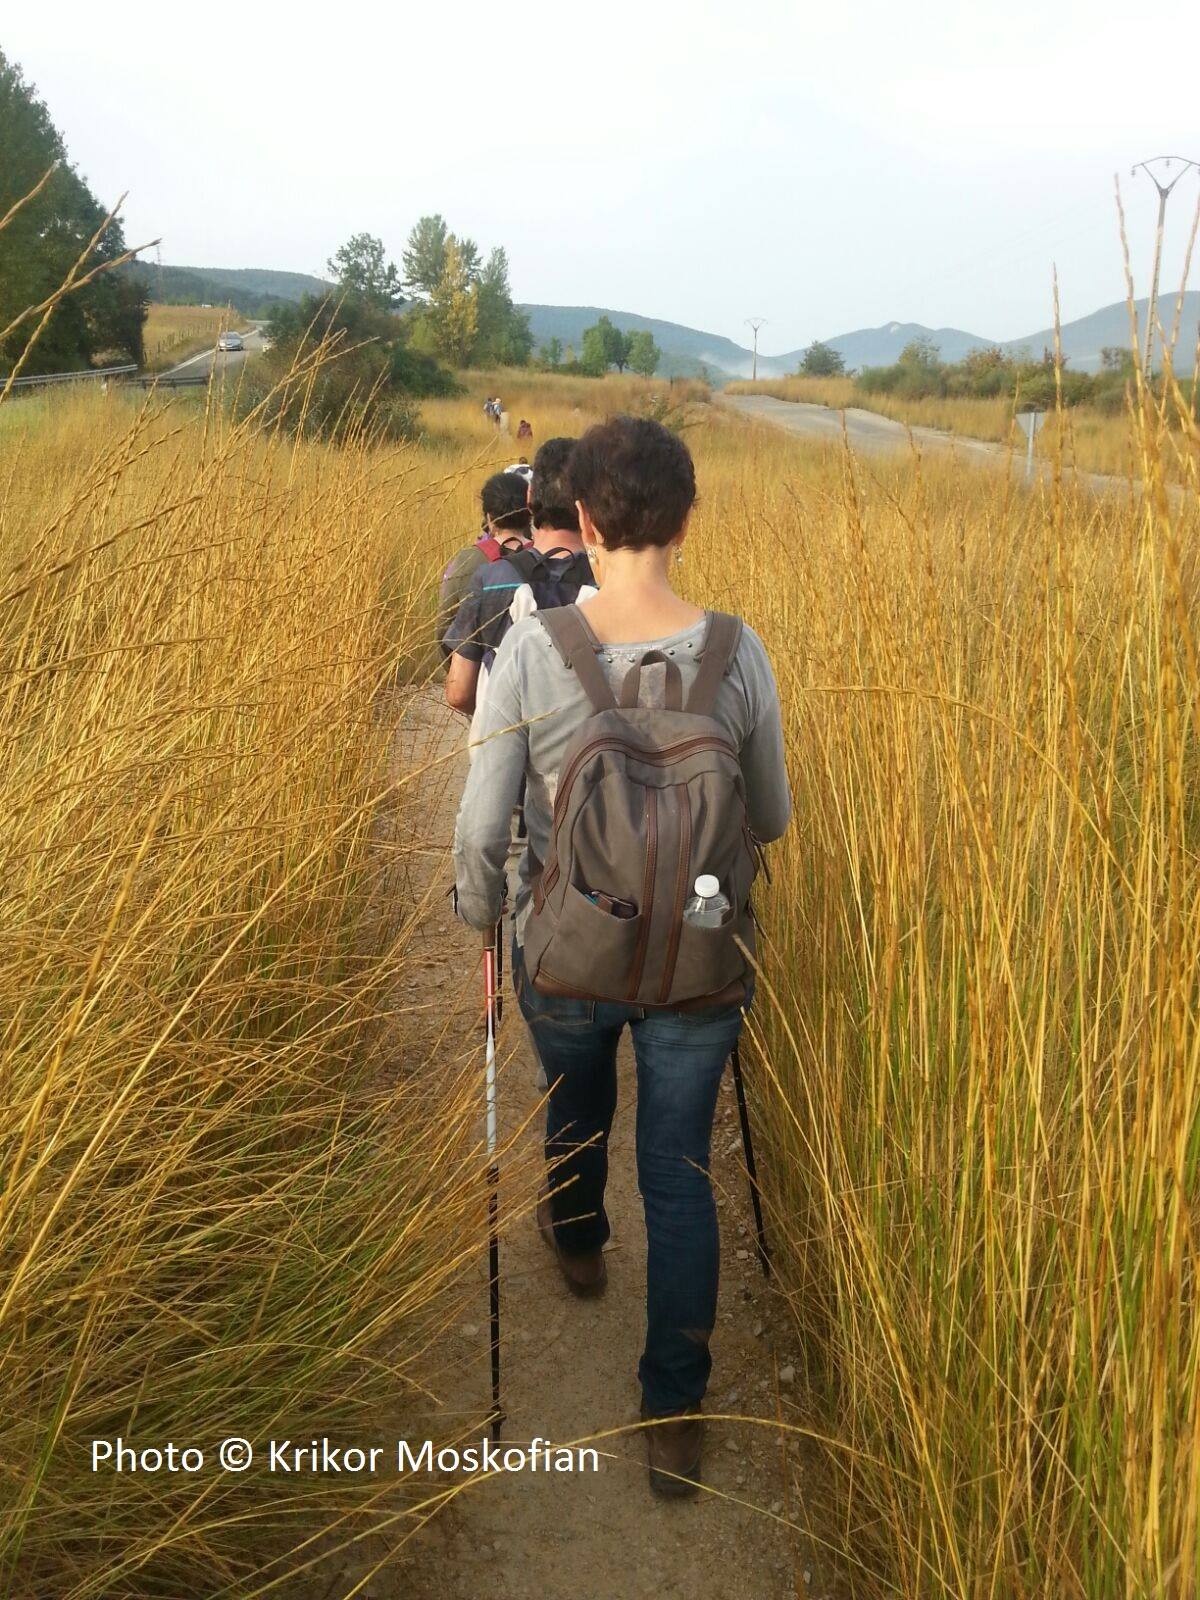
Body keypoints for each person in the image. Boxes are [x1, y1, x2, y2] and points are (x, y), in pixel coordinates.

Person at [452, 416, 791, 1498]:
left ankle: (578, 1232)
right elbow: (771, 818)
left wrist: (484, 919)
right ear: (686, 522)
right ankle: (675, 1416)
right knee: (681, 1174)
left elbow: (483, 828)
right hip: (699, 957)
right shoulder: (738, 651)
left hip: (570, 951)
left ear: (585, 521)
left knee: (578, 1101)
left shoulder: (532, 649)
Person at [443, 436, 595, 733]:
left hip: (505, 749)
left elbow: (458, 693)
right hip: (586, 752)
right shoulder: (608, 583)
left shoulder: (490, 579)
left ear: (529, 498)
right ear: (589, 505)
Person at [437, 473, 532, 662]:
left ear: (489, 517)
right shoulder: (546, 558)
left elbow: (444, 628)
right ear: (529, 511)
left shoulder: (467, 560)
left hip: (480, 671)